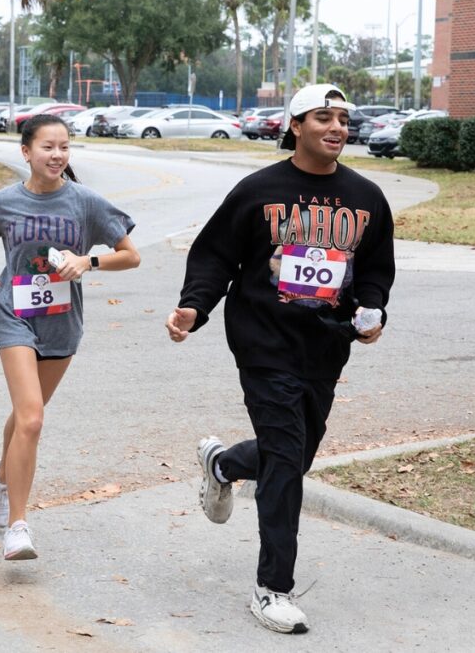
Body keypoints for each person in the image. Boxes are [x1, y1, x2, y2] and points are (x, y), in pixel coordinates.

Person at [165, 83, 395, 634]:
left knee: (294, 453)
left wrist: (373, 310)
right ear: (295, 126)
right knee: (287, 462)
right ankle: (273, 589)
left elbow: (375, 270)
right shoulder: (258, 190)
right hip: (263, 343)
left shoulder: (366, 197)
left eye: (342, 118)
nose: (337, 127)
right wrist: (193, 308)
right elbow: (215, 255)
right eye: (323, 117)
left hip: (325, 345)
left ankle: (223, 464)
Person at [0, 114, 141, 560]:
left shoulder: (84, 202)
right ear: (26, 152)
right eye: (48, 146)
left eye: (64, 146)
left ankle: (0, 475)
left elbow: (130, 255)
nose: (58, 155)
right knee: (31, 419)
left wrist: (89, 262)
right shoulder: (3, 202)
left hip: (63, 321)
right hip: (15, 315)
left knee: (28, 413)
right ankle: (18, 526)